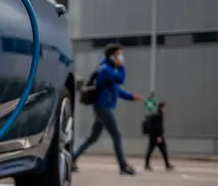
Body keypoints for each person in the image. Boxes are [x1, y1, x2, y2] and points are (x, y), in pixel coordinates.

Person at [73, 44, 142, 175]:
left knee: (92, 138)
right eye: (119, 54)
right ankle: (123, 166)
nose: (121, 57)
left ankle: (72, 159)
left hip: (103, 107)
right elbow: (121, 79)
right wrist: (122, 66)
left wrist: (132, 97)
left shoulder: (108, 69)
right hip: (103, 108)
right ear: (112, 56)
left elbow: (117, 90)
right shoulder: (105, 69)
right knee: (116, 135)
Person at [145, 102, 173, 170]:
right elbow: (158, 127)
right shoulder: (159, 116)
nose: (165, 109)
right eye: (164, 108)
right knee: (162, 150)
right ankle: (167, 165)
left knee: (151, 150)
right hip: (157, 137)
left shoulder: (155, 115)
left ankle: (147, 165)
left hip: (153, 136)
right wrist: (159, 136)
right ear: (161, 108)